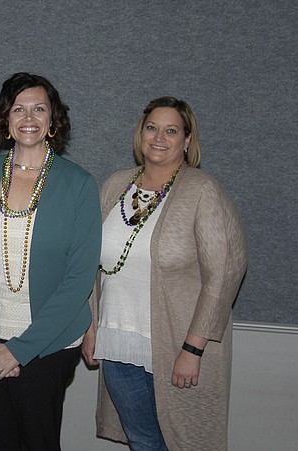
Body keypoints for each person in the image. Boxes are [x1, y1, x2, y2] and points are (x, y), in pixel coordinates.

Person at [82, 96, 248, 451]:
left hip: (176, 347)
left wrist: (194, 347)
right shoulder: (115, 186)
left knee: (182, 442)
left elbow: (225, 272)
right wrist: (91, 326)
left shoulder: (202, 191)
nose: (159, 137)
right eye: (152, 128)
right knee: (144, 442)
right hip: (118, 344)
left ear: (187, 140)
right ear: (140, 133)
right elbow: (91, 265)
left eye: (171, 130)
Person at [0, 72, 102, 450]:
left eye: (39, 108)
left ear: (53, 119)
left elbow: (79, 279)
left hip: (49, 344)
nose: (29, 117)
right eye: (18, 109)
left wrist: (21, 349)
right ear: (5, 120)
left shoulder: (78, 184)